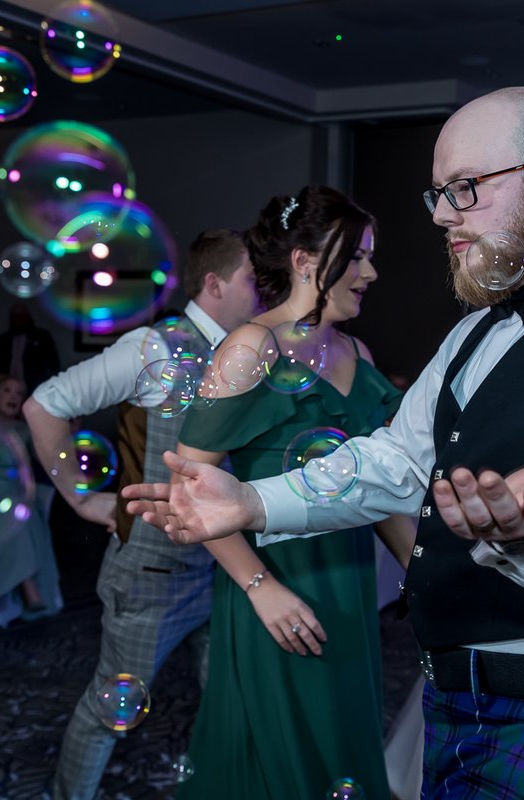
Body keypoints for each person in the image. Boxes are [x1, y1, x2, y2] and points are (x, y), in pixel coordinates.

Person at [124, 86, 524, 800]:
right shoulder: (476, 330)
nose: (442, 216)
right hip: (457, 701)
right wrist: (252, 501)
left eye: (466, 189)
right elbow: (396, 460)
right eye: (438, 194)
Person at [173, 186, 416, 799]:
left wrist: (425, 571)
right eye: (357, 256)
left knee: (343, 744)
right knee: (277, 759)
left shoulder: (356, 353)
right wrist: (262, 590)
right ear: (306, 262)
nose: (371, 272)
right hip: (274, 583)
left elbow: (377, 485)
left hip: (349, 585)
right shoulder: (249, 348)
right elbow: (191, 487)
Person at [23, 228, 258, 800]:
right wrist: (79, 496)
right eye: (253, 280)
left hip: (221, 569)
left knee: (229, 696)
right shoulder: (154, 347)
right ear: (214, 283)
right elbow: (43, 405)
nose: (262, 292)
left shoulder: (244, 351)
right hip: (152, 575)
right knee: (110, 705)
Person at [0, 372, 63, 624]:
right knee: (14, 509)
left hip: (13, 493)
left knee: (16, 508)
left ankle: (27, 584)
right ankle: (29, 587)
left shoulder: (24, 430)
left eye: (19, 393)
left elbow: (45, 459)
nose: (14, 397)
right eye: (7, 391)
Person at [0, 302, 60, 394]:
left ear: (28, 317)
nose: (20, 319)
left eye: (23, 315)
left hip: (35, 387)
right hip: (10, 386)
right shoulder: (5, 339)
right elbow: (2, 365)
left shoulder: (41, 336)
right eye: (16, 316)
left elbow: (53, 362)